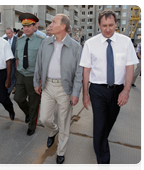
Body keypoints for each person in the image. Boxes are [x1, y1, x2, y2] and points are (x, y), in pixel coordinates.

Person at [79, 10, 138, 170]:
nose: (107, 29)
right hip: (97, 90)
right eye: (104, 25)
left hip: (117, 90)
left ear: (116, 24)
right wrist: (85, 94)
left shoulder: (125, 42)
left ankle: (99, 143)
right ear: (99, 25)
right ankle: (103, 165)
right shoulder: (91, 44)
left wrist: (126, 91)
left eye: (111, 25)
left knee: (107, 125)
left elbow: (130, 67)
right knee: (99, 127)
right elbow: (86, 70)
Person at [34, 13, 83, 165]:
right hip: (48, 86)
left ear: (63, 27)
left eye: (53, 22)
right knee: (44, 119)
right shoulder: (46, 43)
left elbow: (79, 73)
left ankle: (61, 151)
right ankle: (52, 131)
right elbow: (39, 63)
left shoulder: (76, 46)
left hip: (65, 89)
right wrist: (37, 82)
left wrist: (75, 94)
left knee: (64, 122)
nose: (50, 25)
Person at [14, 13, 44, 136]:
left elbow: (43, 61)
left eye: (29, 26)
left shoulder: (42, 41)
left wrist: (41, 78)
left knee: (34, 102)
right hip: (21, 74)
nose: (26, 29)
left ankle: (32, 125)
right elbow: (17, 58)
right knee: (18, 98)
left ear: (34, 26)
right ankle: (28, 114)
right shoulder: (19, 41)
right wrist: (17, 72)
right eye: (24, 26)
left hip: (34, 76)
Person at [4, 27, 17, 95]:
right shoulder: (4, 40)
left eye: (9, 33)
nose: (8, 35)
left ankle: (9, 91)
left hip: (14, 62)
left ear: (12, 33)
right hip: (5, 62)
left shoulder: (17, 40)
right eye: (6, 33)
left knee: (12, 76)